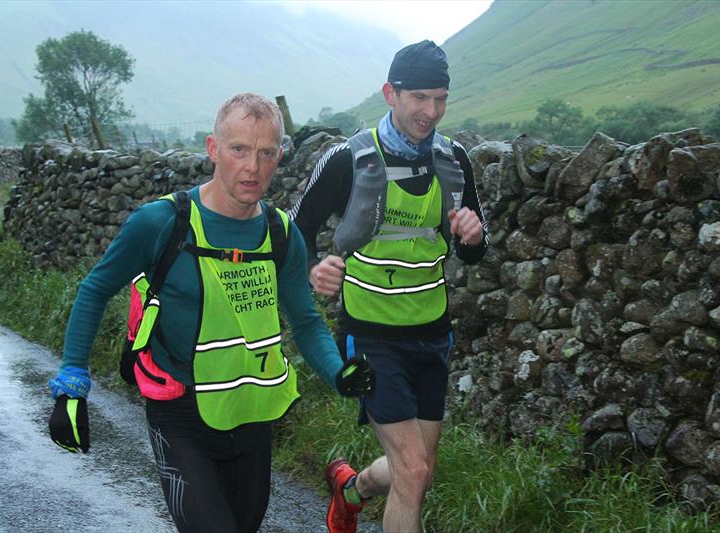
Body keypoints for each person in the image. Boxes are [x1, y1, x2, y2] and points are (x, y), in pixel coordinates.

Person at [46, 92, 375, 533]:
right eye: (239, 149)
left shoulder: (282, 234)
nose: (253, 167)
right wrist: (71, 382)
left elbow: (307, 321)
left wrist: (339, 374)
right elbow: (95, 289)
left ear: (280, 155)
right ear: (213, 149)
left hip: (252, 413)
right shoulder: (161, 222)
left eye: (266, 152)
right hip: (179, 410)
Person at [289, 40, 488, 533]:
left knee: (420, 471)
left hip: (432, 331)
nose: (431, 111)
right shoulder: (348, 159)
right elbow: (293, 231)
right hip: (370, 335)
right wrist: (314, 268)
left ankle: (350, 489)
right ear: (390, 93)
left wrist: (472, 236)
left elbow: (472, 248)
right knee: (413, 469)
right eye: (420, 97)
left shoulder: (453, 158)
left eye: (440, 98)